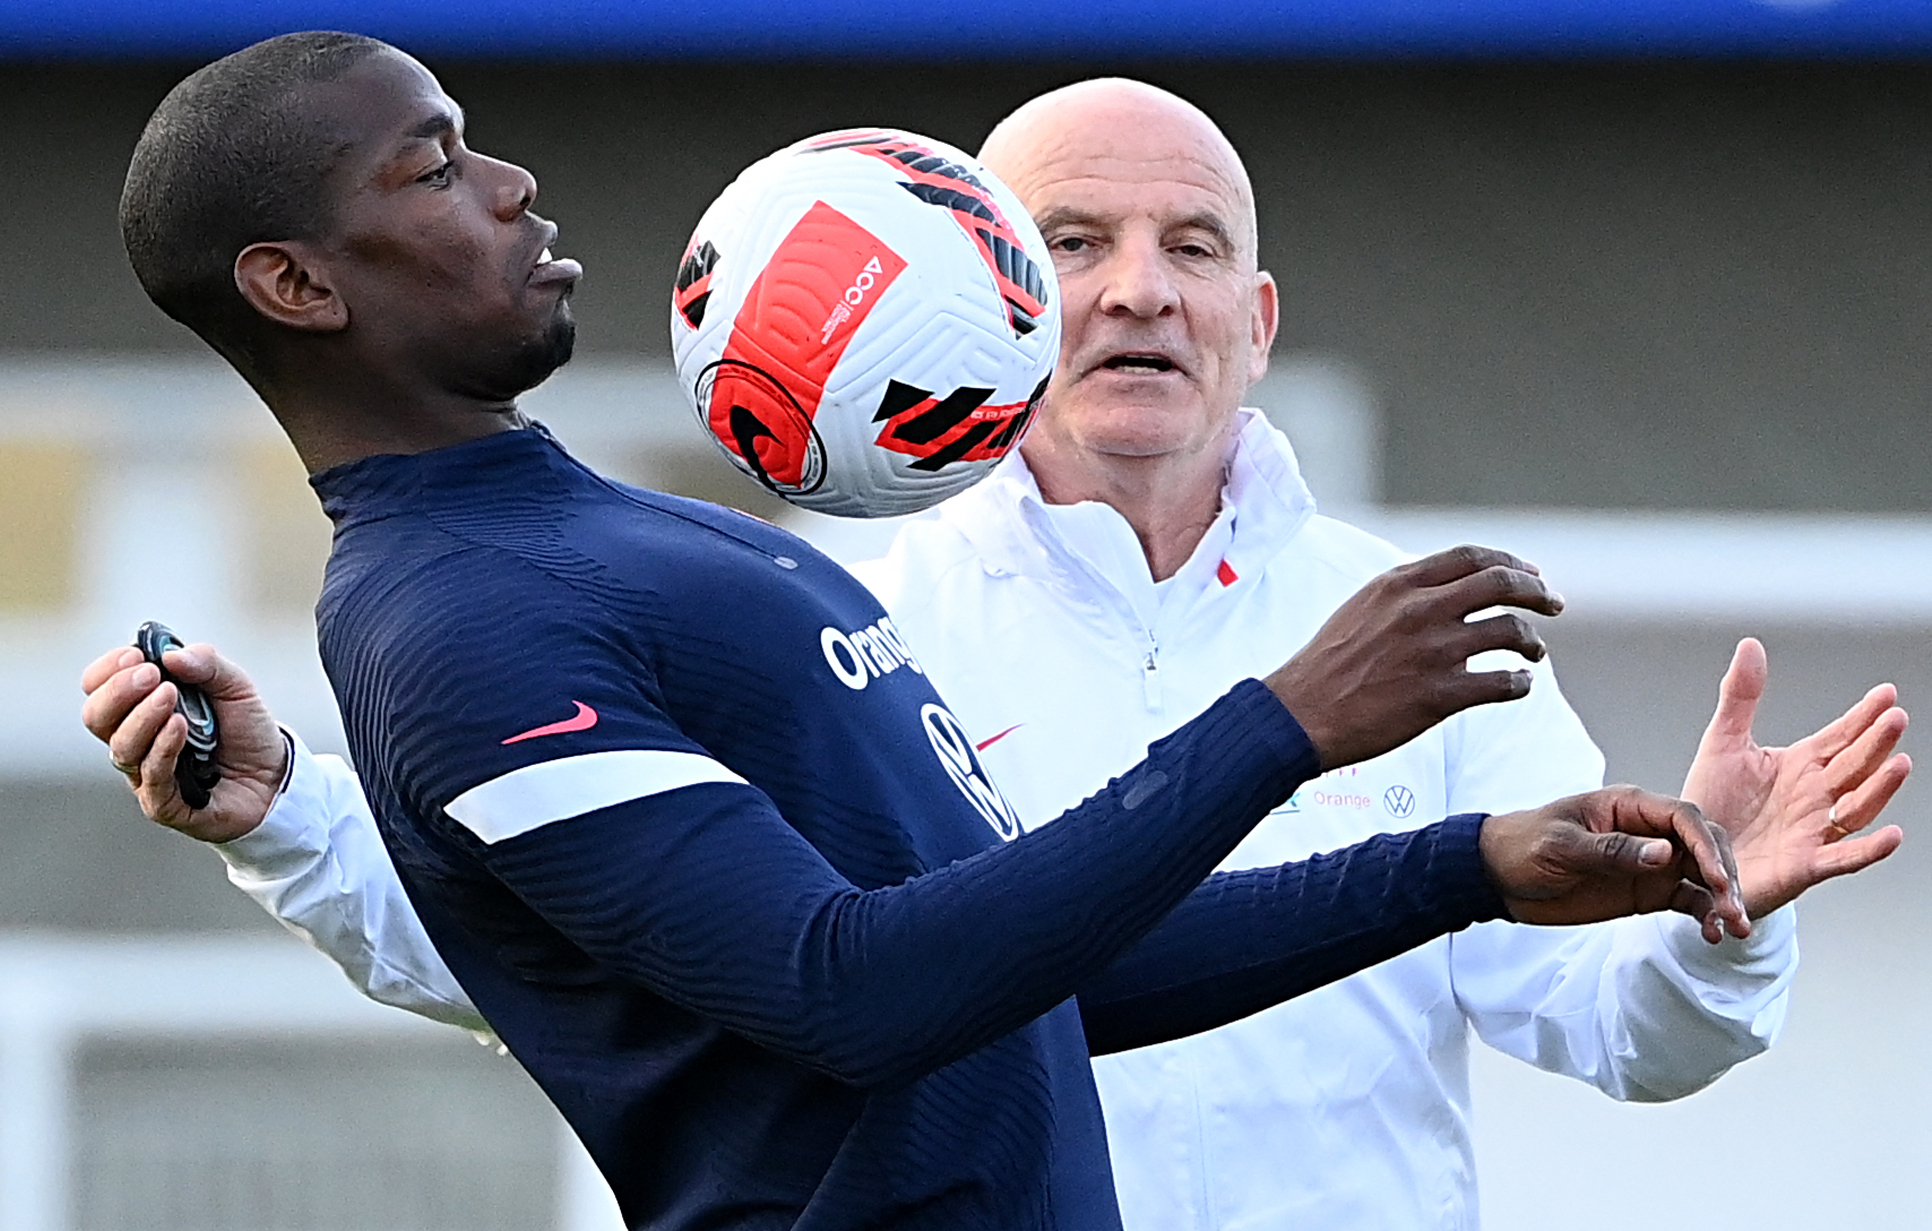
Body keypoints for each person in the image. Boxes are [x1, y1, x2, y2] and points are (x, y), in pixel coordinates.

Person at [80, 42, 1880, 1231]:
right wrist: (1285, 730)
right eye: (437, 167)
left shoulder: (665, 546)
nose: (514, 183)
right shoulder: (517, 608)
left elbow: (1043, 980)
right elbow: (830, 991)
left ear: (1256, 313)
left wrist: (1481, 862)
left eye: (1189, 244)